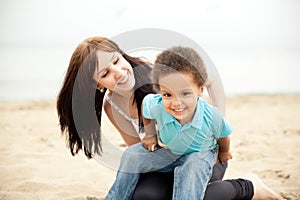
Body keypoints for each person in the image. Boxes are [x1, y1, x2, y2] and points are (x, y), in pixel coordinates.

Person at [56, 36, 283, 200]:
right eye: (105, 73)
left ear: (122, 54)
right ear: (97, 84)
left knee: (199, 191)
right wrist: (155, 144)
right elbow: (139, 150)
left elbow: (209, 78)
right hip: (166, 158)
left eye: (116, 61)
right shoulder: (112, 106)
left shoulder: (156, 72)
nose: (118, 72)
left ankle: (250, 186)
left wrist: (212, 121)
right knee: (146, 195)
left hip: (200, 154)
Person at [104, 46, 233, 200]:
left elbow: (224, 136)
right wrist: (150, 134)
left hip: (200, 153)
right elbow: (147, 111)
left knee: (192, 168)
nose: (176, 103)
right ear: (159, 91)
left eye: (185, 93)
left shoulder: (212, 116)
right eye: (168, 94)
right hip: (169, 151)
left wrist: (224, 151)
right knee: (132, 155)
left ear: (200, 90)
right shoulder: (156, 104)